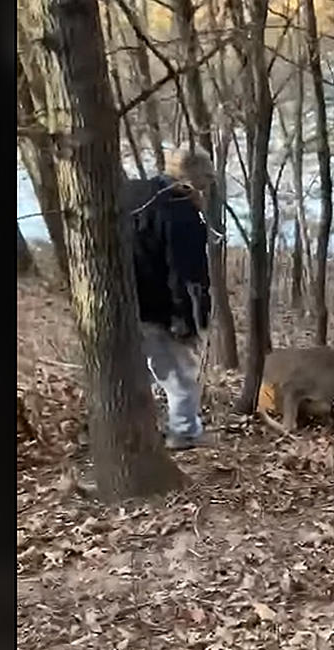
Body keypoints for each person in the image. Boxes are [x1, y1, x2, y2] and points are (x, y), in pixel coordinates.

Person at [120, 148, 215, 450]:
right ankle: (184, 432)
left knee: (137, 372)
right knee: (180, 375)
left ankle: (126, 433)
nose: (209, 182)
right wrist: (186, 320)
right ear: (192, 176)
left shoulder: (133, 193)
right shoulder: (179, 210)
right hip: (160, 307)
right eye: (206, 176)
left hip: (123, 301)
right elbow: (185, 272)